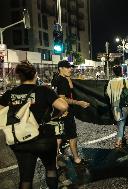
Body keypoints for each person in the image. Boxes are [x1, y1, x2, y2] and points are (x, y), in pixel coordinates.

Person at [0, 61, 68, 189]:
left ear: (19, 77)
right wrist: (56, 116)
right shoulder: (43, 90)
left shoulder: (10, 93)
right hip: (44, 136)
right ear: (35, 75)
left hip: (20, 138)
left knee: (25, 178)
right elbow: (63, 106)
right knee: (51, 168)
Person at [55, 60, 90, 166]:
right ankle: (76, 159)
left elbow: (70, 88)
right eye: (68, 67)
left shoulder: (56, 78)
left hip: (57, 112)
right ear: (61, 68)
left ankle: (54, 163)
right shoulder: (62, 81)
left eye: (71, 67)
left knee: (58, 136)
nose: (71, 69)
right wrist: (79, 103)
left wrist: (68, 76)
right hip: (65, 112)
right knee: (72, 136)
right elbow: (63, 98)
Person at [106, 65, 128, 148]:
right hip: (123, 104)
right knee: (122, 122)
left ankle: (121, 136)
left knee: (119, 121)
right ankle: (118, 141)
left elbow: (108, 93)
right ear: (121, 71)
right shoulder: (124, 80)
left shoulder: (111, 81)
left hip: (114, 105)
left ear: (114, 72)